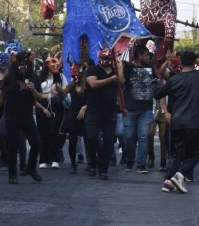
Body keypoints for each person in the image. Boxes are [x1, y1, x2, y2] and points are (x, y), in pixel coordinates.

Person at [155, 51, 199, 194]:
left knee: (174, 153)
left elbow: (158, 94)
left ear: (180, 63)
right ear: (195, 62)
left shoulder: (174, 79)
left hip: (176, 120)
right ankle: (179, 175)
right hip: (194, 120)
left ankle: (168, 181)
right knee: (194, 154)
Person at [0, 50, 43, 184]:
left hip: (27, 116)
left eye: (26, 63)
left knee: (36, 143)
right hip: (11, 116)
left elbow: (39, 98)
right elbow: (0, 97)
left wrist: (33, 89)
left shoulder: (34, 77)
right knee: (13, 146)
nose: (23, 65)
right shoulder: (9, 77)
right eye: (21, 62)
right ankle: (12, 174)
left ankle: (30, 167)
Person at [119, 45, 158, 174]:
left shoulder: (150, 68)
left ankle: (141, 165)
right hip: (129, 109)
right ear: (140, 56)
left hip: (146, 109)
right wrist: (120, 66)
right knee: (129, 137)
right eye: (147, 55)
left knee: (143, 137)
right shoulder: (128, 68)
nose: (149, 57)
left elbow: (155, 85)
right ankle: (130, 161)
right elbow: (121, 81)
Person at [84, 48, 121, 180]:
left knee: (108, 141)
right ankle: (93, 162)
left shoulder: (115, 71)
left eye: (108, 59)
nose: (106, 61)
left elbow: (121, 81)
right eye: (104, 59)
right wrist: (111, 79)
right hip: (93, 111)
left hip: (110, 112)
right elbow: (93, 84)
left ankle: (103, 168)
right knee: (92, 138)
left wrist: (120, 65)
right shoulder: (93, 69)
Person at [37, 55, 67, 169]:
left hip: (56, 106)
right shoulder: (39, 77)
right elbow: (36, 94)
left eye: (57, 63)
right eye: (52, 62)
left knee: (54, 132)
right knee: (43, 133)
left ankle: (55, 158)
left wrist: (58, 91)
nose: (55, 65)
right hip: (42, 106)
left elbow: (65, 90)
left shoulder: (61, 77)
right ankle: (43, 159)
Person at [58, 60, 88, 174]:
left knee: (88, 139)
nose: (74, 75)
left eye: (76, 72)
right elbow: (63, 92)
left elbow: (92, 99)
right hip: (73, 115)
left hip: (85, 114)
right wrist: (56, 87)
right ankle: (73, 164)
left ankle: (91, 163)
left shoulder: (87, 84)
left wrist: (85, 108)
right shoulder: (73, 85)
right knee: (72, 141)